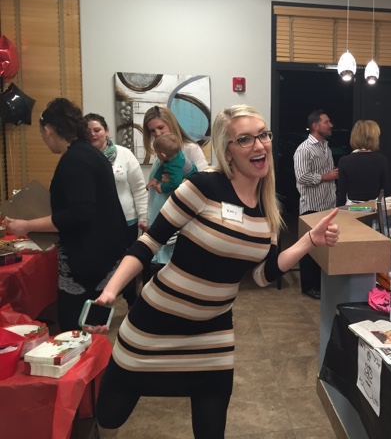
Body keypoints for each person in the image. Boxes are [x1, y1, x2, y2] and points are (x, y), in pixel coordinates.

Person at [90, 105, 340, 438]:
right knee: (109, 416)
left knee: (211, 430)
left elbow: (262, 275)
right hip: (154, 323)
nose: (259, 145)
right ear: (228, 151)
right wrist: (110, 291)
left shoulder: (268, 210)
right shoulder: (203, 186)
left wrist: (309, 240)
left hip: (213, 332)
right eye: (245, 139)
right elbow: (149, 242)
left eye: (263, 135)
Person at [5, 98, 128, 332]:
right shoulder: (89, 154)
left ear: (48, 130)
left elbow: (79, 213)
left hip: (89, 261)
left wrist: (27, 225)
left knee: (77, 327)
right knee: (93, 326)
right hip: (102, 255)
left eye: (42, 134)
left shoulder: (75, 160)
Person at [85, 112, 148, 308]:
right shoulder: (83, 157)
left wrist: (143, 216)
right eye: (88, 131)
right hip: (96, 223)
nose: (93, 134)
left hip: (127, 221)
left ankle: (131, 301)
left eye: (97, 130)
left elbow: (139, 188)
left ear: (106, 131)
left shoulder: (124, 154)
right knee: (101, 265)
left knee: (127, 263)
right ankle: (101, 302)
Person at [142, 105, 209, 266]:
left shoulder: (190, 149)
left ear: (171, 124)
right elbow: (155, 195)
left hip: (182, 222)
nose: (157, 134)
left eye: (161, 127)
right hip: (161, 220)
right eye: (152, 131)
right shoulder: (160, 154)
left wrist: (179, 182)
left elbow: (205, 183)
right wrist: (147, 218)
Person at [293, 109, 338, 300]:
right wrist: (326, 176)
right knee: (309, 248)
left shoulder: (326, 147)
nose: (331, 125)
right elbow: (302, 177)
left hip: (327, 206)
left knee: (322, 248)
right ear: (315, 125)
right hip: (311, 206)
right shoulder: (304, 149)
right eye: (327, 122)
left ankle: (320, 284)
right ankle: (308, 287)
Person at [336, 119, 388, 206]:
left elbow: (341, 193)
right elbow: (384, 190)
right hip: (374, 208)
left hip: (351, 208)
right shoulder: (381, 160)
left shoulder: (344, 161)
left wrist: (338, 212)